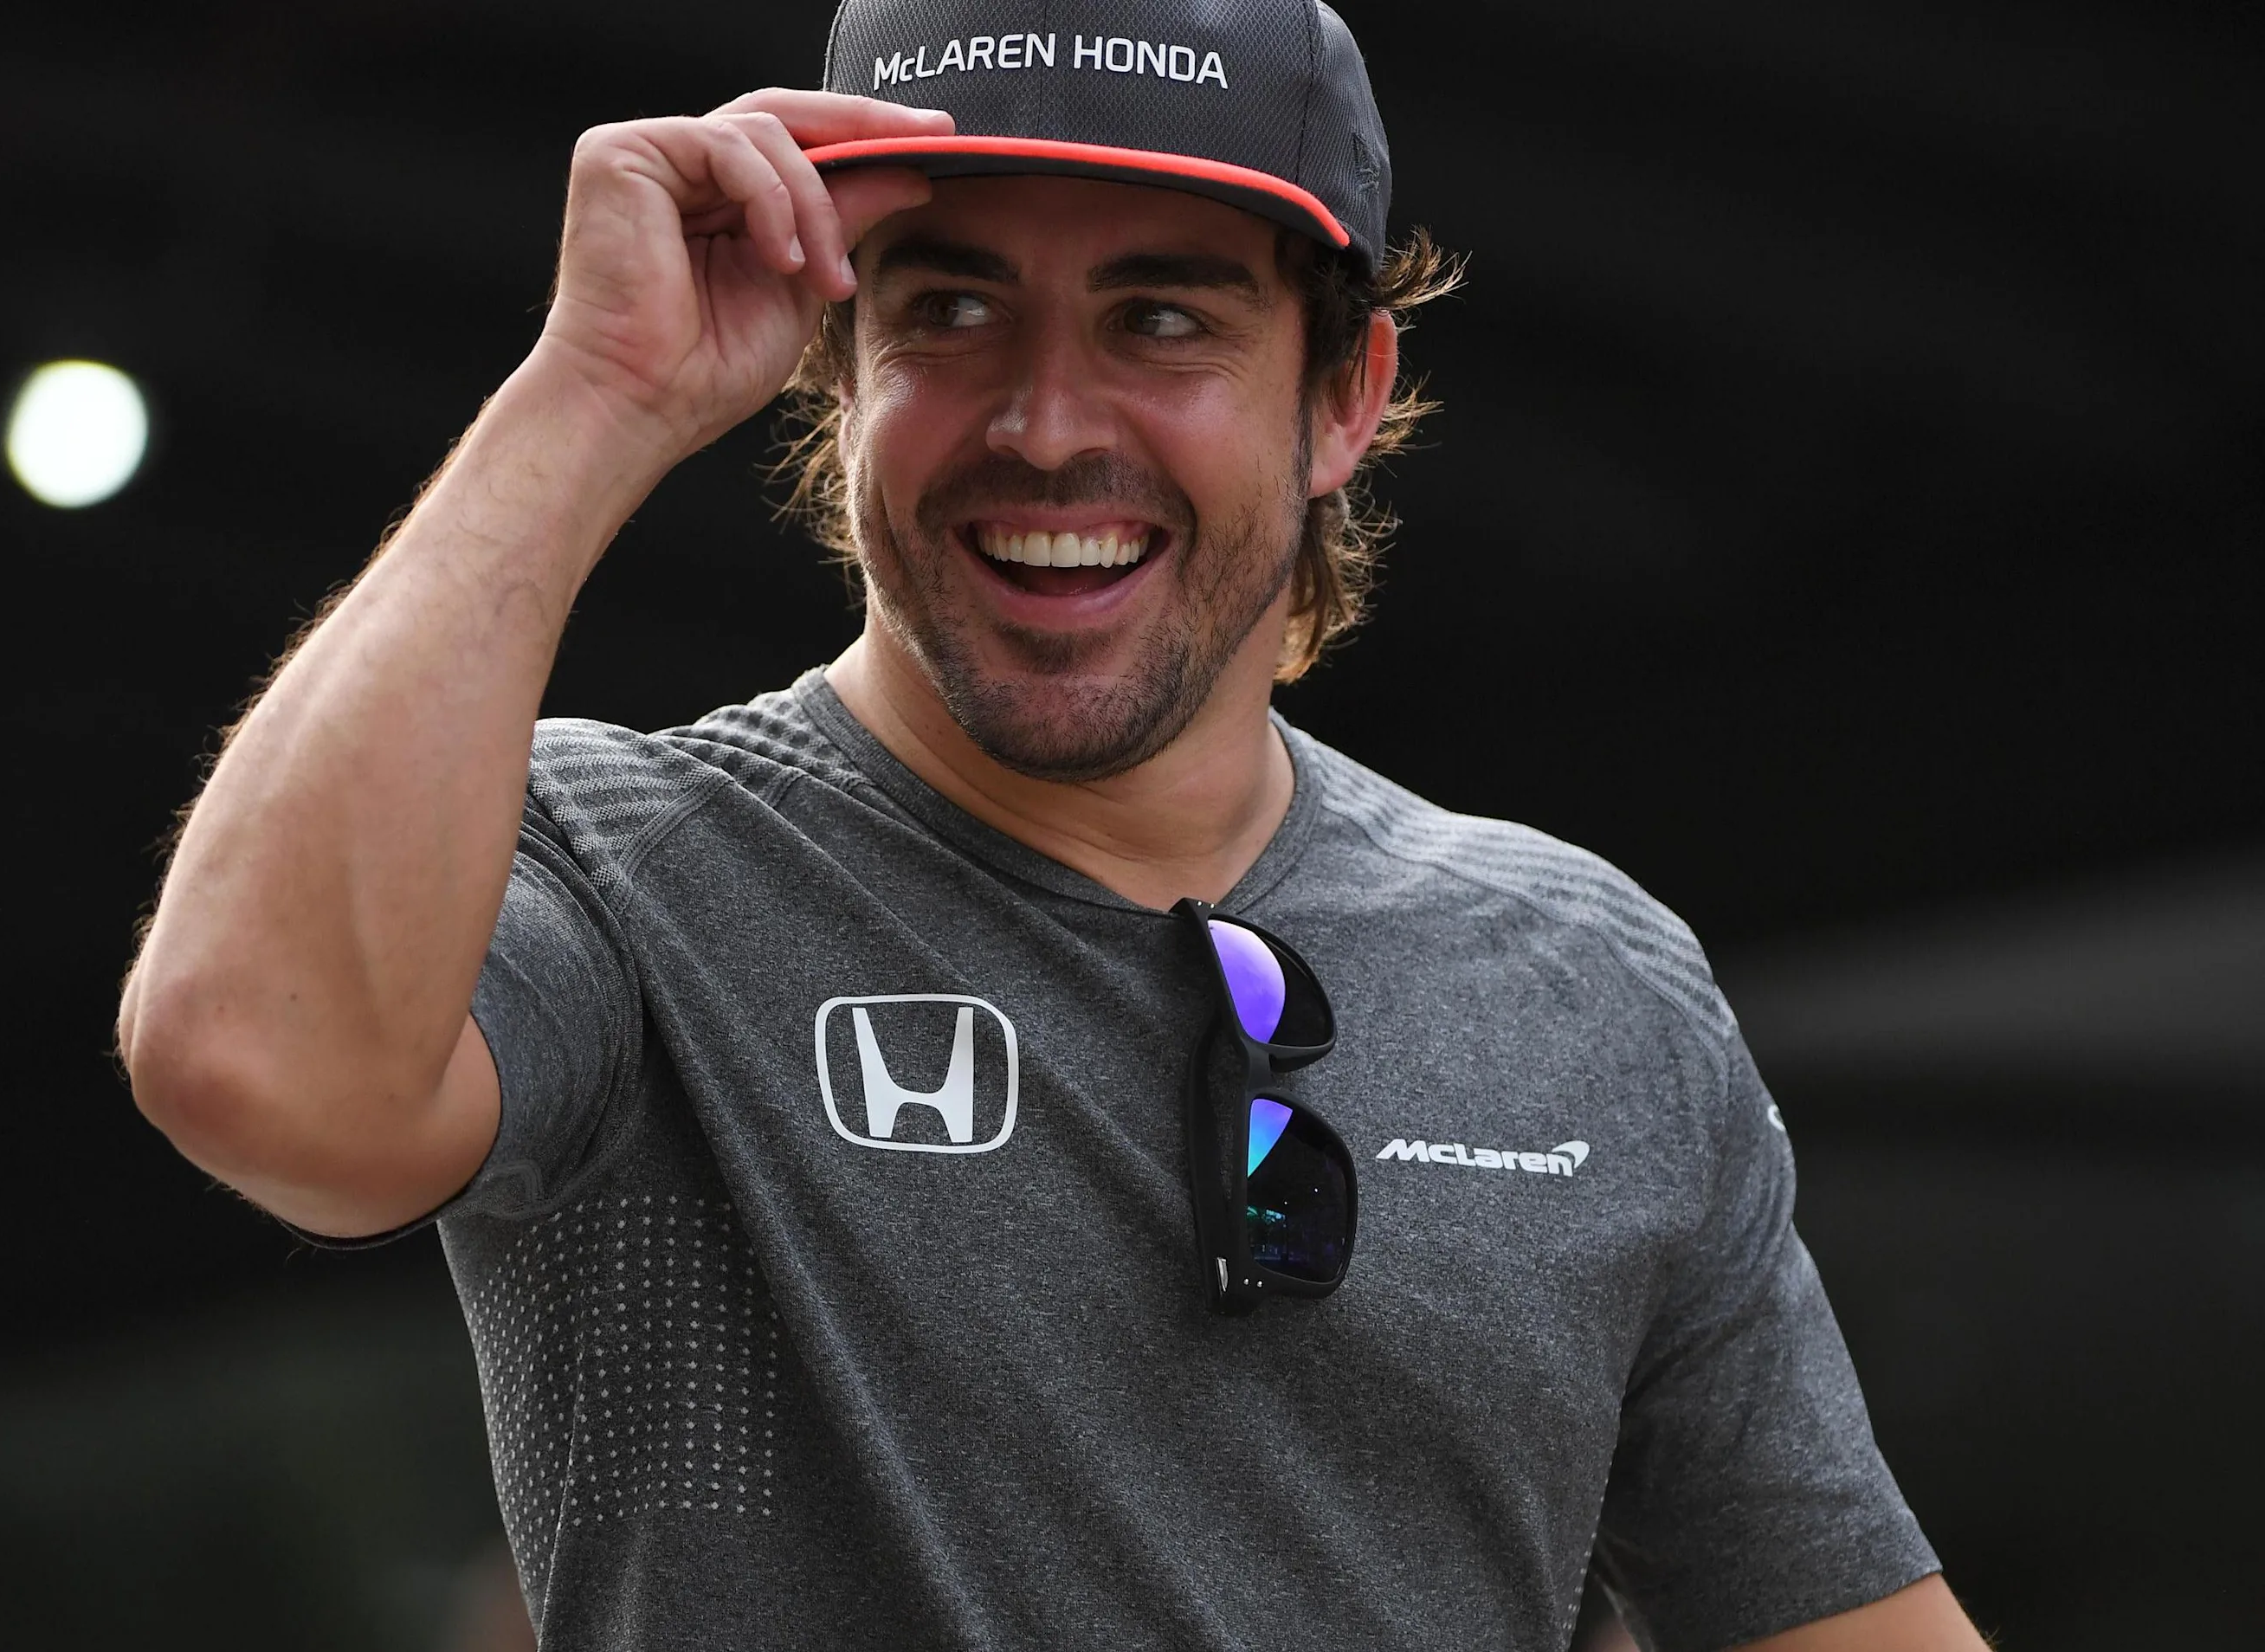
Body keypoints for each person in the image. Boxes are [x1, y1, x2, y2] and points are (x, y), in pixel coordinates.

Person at [116, 2, 1984, 1646]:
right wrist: (590, 391)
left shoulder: (1589, 982)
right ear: (833, 372)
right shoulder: (623, 874)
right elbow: (258, 1070)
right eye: (948, 311)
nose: (1042, 421)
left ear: (1341, 398)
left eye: (1160, 316)